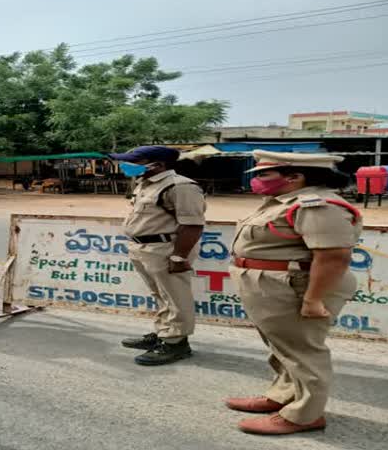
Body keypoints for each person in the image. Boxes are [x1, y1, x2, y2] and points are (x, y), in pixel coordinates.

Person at [225, 151, 361, 435]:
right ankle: (283, 395)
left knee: (303, 352)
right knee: (283, 347)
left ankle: (305, 415)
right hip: (274, 285)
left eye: (264, 174)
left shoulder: (318, 205)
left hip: (299, 287)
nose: (257, 180)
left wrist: (313, 299)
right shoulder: (282, 202)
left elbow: (334, 257)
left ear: (295, 177)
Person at [110, 146, 205, 366]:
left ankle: (176, 343)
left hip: (166, 249)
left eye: (134, 161)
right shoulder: (144, 183)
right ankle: (164, 332)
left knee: (175, 296)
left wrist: (179, 257)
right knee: (161, 295)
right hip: (143, 248)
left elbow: (192, 225)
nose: (126, 166)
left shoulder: (181, 186)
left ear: (158, 164)